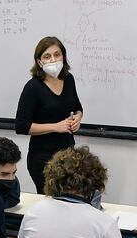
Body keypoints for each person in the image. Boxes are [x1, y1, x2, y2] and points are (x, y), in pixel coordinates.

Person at [15, 36, 83, 193]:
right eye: (47, 56)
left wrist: (78, 118)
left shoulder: (69, 79)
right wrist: (55, 127)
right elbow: (21, 126)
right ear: (39, 62)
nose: (53, 59)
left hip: (69, 154)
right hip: (43, 158)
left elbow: (77, 107)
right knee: (51, 200)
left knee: (70, 199)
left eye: (57, 54)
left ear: (63, 57)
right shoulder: (32, 87)